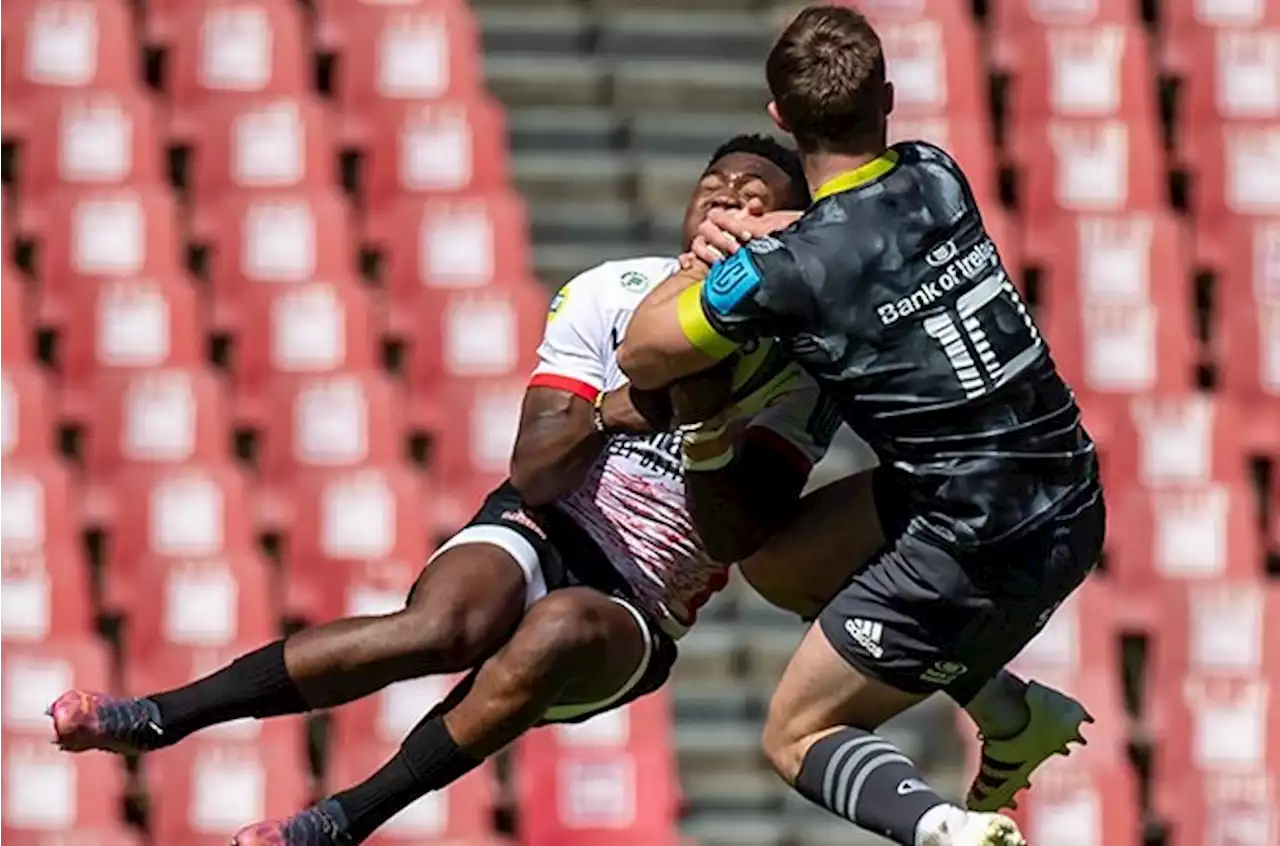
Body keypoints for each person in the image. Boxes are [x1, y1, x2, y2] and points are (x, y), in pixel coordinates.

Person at [47, 135, 873, 846]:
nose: (726, 202)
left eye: (753, 197)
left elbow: (733, 535)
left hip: (641, 599)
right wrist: (626, 409)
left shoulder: (802, 368)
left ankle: (344, 819)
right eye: (713, 190)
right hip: (548, 520)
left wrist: (700, 416)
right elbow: (535, 470)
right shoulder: (611, 292)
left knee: (557, 629)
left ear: (778, 234)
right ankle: (158, 718)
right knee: (443, 626)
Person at [618, 7, 1103, 846]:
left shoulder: (786, 274)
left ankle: (942, 829)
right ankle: (1008, 710)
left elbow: (644, 356)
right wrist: (767, 235)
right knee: (776, 562)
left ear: (780, 119)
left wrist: (709, 253)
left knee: (794, 734)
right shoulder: (935, 173)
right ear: (887, 96)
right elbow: (844, 234)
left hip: (974, 542)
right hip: (1069, 498)